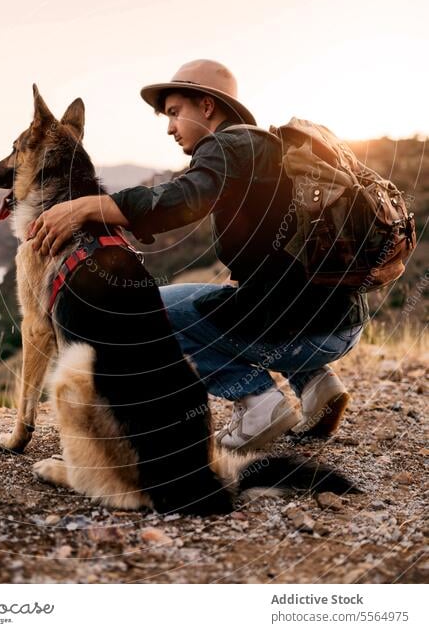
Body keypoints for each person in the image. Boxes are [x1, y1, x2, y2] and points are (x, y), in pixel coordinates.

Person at [28, 60, 369, 452]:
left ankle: (259, 403)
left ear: (207, 106)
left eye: (175, 113)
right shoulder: (266, 147)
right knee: (224, 302)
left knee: (144, 309)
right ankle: (316, 386)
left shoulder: (226, 145)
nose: (169, 127)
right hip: (340, 325)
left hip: (306, 331)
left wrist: (88, 207)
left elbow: (183, 200)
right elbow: (284, 252)